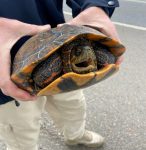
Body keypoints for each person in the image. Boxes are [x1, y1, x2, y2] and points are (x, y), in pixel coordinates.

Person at [0, 0, 122, 150]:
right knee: (21, 129)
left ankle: (76, 136)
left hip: (59, 38)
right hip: (7, 66)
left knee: (73, 106)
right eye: (80, 53)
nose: (88, 54)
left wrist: (95, 4)